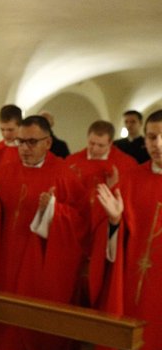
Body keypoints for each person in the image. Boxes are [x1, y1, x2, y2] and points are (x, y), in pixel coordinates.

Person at [0, 115, 87, 350]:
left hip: (40, 272)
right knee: (2, 323)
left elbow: (81, 226)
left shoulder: (64, 177)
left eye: (31, 142)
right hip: (5, 266)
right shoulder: (4, 173)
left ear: (48, 142)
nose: (24, 148)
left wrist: (53, 212)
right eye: (20, 142)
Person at [91, 109, 162, 350]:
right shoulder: (131, 179)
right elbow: (115, 243)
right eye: (151, 136)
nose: (157, 143)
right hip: (132, 289)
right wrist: (115, 222)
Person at [66, 120, 137, 304]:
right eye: (91, 143)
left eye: (101, 145)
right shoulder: (72, 162)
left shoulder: (126, 165)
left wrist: (115, 187)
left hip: (105, 234)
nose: (95, 148)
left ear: (110, 143)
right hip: (77, 232)